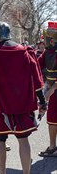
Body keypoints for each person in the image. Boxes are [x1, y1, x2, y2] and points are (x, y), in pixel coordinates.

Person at [0, 22, 47, 174]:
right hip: (22, 104)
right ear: (10, 33)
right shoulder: (26, 51)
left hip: (1, 105)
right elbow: (37, 79)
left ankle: (2, 173)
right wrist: (42, 101)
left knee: (0, 140)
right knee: (23, 139)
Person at [38, 21, 57, 157]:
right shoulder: (47, 52)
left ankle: (52, 147)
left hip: (54, 90)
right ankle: (53, 147)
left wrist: (51, 90)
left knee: (53, 119)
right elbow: (36, 64)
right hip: (52, 90)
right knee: (52, 119)